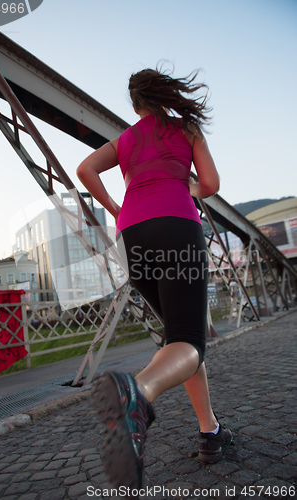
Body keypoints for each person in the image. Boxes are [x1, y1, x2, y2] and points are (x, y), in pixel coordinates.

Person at [76, 67, 232, 491]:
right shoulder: (186, 128)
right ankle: (137, 393)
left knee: (179, 338)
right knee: (190, 342)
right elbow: (212, 184)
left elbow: (85, 168)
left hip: (133, 234)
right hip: (176, 226)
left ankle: (210, 431)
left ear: (134, 105)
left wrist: (114, 207)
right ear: (163, 95)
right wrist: (185, 188)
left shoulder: (125, 139)